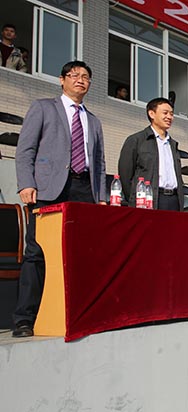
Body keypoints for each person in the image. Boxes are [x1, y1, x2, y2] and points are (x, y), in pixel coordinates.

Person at [13, 60, 106, 337]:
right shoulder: (43, 107)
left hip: (84, 190)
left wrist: (101, 196)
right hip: (48, 189)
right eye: (74, 75)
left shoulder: (93, 120)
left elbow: (99, 162)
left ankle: (74, 313)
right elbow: (25, 149)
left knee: (80, 253)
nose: (80, 80)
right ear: (62, 79)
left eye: (86, 76)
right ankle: (25, 318)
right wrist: (26, 183)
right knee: (37, 252)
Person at [118, 97, 184, 211]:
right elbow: (125, 175)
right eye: (165, 113)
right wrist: (135, 199)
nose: (169, 117)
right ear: (152, 114)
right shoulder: (137, 140)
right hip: (149, 199)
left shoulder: (173, 144)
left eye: (171, 114)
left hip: (174, 200)